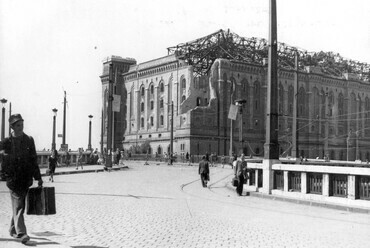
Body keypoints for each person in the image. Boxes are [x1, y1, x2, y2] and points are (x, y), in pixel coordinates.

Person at [0, 114, 43, 244]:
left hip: (26, 178)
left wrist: (38, 177)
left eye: (22, 124)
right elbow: (2, 160)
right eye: (18, 125)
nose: (21, 127)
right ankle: (22, 233)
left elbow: (33, 160)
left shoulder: (29, 140)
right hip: (13, 179)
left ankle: (13, 229)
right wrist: (4, 173)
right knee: (19, 204)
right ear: (12, 127)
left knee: (20, 205)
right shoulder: (6, 142)